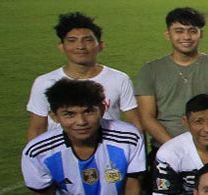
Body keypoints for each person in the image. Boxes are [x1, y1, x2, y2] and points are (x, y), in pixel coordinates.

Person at [21, 78, 145, 195]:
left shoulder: (129, 137)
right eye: (69, 114)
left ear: (101, 109)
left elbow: (132, 187)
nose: (81, 122)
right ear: (54, 116)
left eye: (88, 111)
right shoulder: (38, 151)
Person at [26, 12, 140, 141]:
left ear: (101, 45)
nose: (80, 46)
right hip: (61, 154)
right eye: (72, 41)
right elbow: (37, 128)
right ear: (62, 47)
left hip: (108, 153)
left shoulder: (119, 79)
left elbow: (134, 123)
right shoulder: (44, 82)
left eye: (88, 40)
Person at [134, 7, 208, 148]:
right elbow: (147, 117)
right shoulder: (149, 71)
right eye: (179, 31)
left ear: (201, 34)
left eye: (192, 31)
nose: (186, 37)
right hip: (165, 148)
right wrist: (174, 148)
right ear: (168, 34)